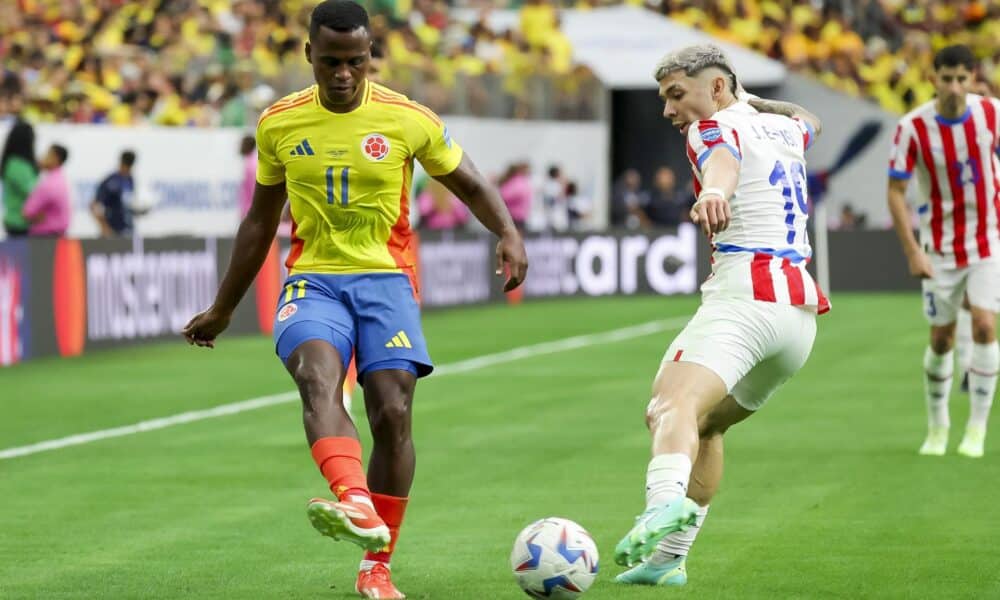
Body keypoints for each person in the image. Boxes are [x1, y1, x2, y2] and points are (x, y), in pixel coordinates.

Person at [181, 3, 528, 598]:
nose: (344, 74)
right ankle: (355, 500)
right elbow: (260, 223)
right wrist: (223, 306)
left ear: (371, 57)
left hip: (386, 281)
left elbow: (467, 181)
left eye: (357, 62)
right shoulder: (279, 123)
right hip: (312, 279)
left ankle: (377, 564)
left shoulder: (406, 118)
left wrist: (509, 233)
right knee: (318, 379)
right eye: (333, 62)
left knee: (392, 413)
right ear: (309, 56)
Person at [613, 44, 827, 587]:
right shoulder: (782, 130)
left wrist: (712, 190)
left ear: (715, 88)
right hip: (798, 318)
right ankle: (668, 562)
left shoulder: (708, 128)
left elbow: (721, 162)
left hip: (745, 299)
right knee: (706, 426)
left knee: (668, 406)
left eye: (675, 94)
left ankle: (661, 507)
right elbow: (810, 120)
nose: (668, 110)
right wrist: (750, 97)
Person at [887, 44, 1000, 458]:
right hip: (939, 248)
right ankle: (938, 427)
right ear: (933, 78)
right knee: (941, 339)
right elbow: (896, 192)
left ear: (972, 79)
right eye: (947, 78)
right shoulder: (912, 128)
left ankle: (977, 429)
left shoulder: (992, 114)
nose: (954, 87)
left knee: (986, 325)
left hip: (988, 240)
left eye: (962, 79)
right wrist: (913, 250)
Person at [0, 119, 38, 237]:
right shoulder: (17, 165)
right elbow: (32, 191)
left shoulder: (16, 163)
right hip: (19, 222)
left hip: (22, 221)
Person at [23, 144, 71, 237]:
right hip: (55, 235)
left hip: (44, 238)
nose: (42, 157)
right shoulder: (59, 180)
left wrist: (35, 216)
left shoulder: (49, 184)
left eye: (47, 154)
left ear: (55, 158)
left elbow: (27, 212)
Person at [90, 150, 137, 237]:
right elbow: (94, 205)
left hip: (128, 231)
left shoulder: (130, 179)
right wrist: (104, 227)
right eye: (126, 165)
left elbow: (128, 204)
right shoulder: (111, 181)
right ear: (121, 163)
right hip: (112, 231)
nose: (128, 169)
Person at [238, 134, 256, 219]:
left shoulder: (252, 165)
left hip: (251, 212)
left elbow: (254, 190)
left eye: (242, 144)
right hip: (248, 210)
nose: (239, 147)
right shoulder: (249, 161)